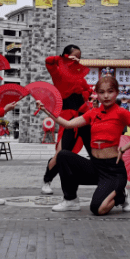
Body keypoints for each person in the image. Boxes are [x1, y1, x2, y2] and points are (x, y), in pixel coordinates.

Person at [37, 76, 130, 215]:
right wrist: (47, 110)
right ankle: (70, 200)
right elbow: (68, 124)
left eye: (110, 91)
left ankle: (121, 195)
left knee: (98, 209)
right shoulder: (93, 113)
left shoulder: (121, 113)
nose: (106, 96)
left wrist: (124, 148)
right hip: (95, 167)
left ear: (117, 92)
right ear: (97, 94)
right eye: (102, 92)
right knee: (63, 156)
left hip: (113, 171)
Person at [40, 44, 92, 195]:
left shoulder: (79, 75)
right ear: (65, 56)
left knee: (94, 150)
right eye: (74, 56)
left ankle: (109, 182)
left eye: (79, 58)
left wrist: (89, 94)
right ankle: (47, 180)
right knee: (61, 153)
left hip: (83, 117)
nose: (77, 60)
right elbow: (48, 61)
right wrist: (64, 60)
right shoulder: (58, 72)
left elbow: (87, 89)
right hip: (67, 118)